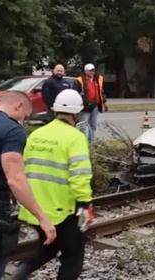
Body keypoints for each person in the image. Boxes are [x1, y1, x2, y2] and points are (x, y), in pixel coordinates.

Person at [0, 92, 56, 280]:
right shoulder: (12, 130)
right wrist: (42, 217)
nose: (24, 121)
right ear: (18, 106)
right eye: (25, 116)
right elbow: (15, 178)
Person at [12, 89, 93, 280]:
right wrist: (84, 204)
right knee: (73, 254)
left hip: (35, 208)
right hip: (63, 210)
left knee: (49, 246)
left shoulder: (36, 135)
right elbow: (80, 176)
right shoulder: (75, 137)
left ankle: (21, 272)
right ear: (76, 114)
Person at [73, 63, 106, 144]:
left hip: (95, 106)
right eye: (90, 70)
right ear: (86, 71)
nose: (92, 72)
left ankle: (91, 143)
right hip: (85, 107)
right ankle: (82, 143)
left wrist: (104, 101)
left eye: (93, 70)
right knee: (83, 126)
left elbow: (101, 92)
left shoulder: (97, 80)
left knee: (93, 125)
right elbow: (75, 94)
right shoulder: (79, 80)